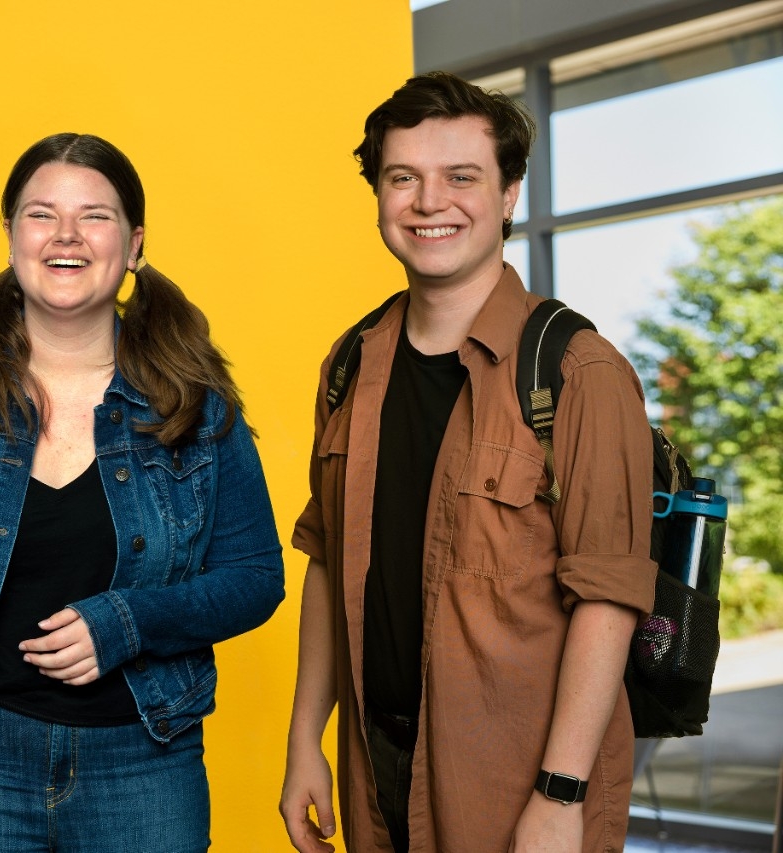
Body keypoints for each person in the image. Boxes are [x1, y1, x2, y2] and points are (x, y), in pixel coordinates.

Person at [0, 132, 285, 853]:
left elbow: (255, 578)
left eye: (96, 216)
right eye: (41, 214)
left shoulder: (194, 402)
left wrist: (128, 621)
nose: (67, 236)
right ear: (12, 235)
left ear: (135, 243)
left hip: (145, 767)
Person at [279, 72, 657, 853]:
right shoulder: (350, 363)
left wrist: (561, 795)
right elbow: (325, 560)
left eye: (461, 177)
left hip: (519, 782)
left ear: (510, 193)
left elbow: (610, 597)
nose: (428, 202)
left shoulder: (578, 370)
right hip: (375, 771)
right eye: (402, 178)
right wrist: (303, 740)